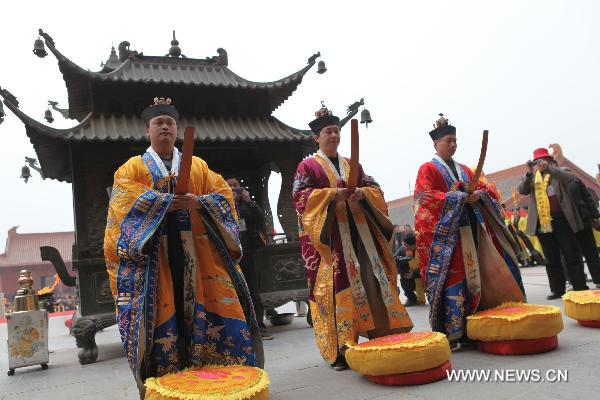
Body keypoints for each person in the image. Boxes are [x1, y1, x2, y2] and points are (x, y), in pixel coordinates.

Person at [104, 98, 262, 396]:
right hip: (156, 260)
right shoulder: (132, 168)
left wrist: (197, 202)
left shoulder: (199, 167)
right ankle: (168, 386)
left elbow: (223, 196)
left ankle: (218, 379)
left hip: (199, 257)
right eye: (158, 123)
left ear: (176, 129)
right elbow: (122, 206)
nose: (165, 127)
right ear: (147, 130)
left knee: (213, 311)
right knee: (166, 315)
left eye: (170, 123)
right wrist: (162, 201)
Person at [293, 104, 413, 370]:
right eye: (328, 132)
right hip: (332, 240)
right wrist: (333, 195)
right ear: (316, 137)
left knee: (371, 277)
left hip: (360, 236)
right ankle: (341, 349)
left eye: (336, 131)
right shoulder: (308, 166)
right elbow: (301, 198)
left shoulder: (353, 164)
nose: (333, 136)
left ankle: (380, 332)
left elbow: (374, 188)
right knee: (338, 286)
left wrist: (361, 193)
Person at [414, 114, 525, 351]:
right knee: (455, 280)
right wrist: (458, 197)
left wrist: (479, 196)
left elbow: (487, 190)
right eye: (448, 141)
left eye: (455, 141)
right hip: (449, 237)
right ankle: (453, 330)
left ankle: (475, 327)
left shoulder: (465, 169)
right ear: (436, 144)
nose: (452, 145)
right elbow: (424, 198)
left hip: (471, 233)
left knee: (477, 277)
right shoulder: (428, 169)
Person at [518, 147, 589, 299]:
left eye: (544, 159)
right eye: (538, 161)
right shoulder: (532, 177)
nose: (541, 163)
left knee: (571, 254)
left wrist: (549, 168)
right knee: (551, 258)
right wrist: (529, 172)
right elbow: (522, 190)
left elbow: (569, 179)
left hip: (562, 220)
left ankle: (580, 286)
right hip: (542, 224)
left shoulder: (558, 172)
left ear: (550, 160)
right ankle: (557, 289)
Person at [225, 177, 274, 339]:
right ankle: (242, 327)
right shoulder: (223, 204)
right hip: (231, 254)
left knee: (253, 289)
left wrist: (249, 201)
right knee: (236, 291)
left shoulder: (247, 204)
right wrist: (229, 202)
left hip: (250, 252)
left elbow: (259, 217)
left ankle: (259, 325)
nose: (233, 189)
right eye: (229, 186)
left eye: (235, 186)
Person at [567, 178, 600, 288]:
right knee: (571, 255)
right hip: (566, 225)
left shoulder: (574, 180)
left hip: (583, 220)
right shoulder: (547, 183)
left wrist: (595, 216)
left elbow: (588, 198)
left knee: (591, 252)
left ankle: (598, 279)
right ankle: (577, 282)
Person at [393, 232, 425, 307]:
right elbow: (394, 260)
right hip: (412, 279)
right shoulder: (402, 250)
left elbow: (428, 267)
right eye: (404, 245)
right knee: (404, 277)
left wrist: (414, 273)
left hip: (425, 277)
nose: (405, 247)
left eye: (406, 245)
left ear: (414, 245)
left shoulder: (424, 249)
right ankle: (412, 299)